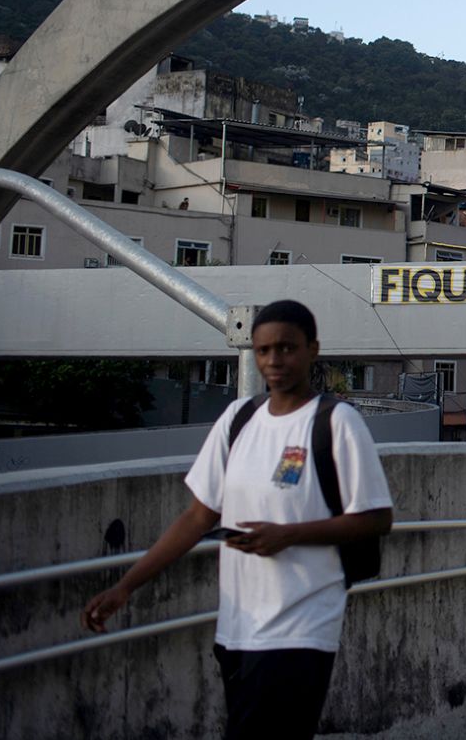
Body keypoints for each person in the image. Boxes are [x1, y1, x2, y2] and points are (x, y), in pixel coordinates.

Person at [82, 299, 393, 740]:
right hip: (237, 627)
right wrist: (126, 585)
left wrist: (289, 536)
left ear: (313, 349)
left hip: (302, 625)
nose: (273, 360)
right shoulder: (239, 418)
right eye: (263, 350)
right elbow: (197, 516)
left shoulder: (337, 422)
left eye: (287, 348)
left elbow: (377, 517)